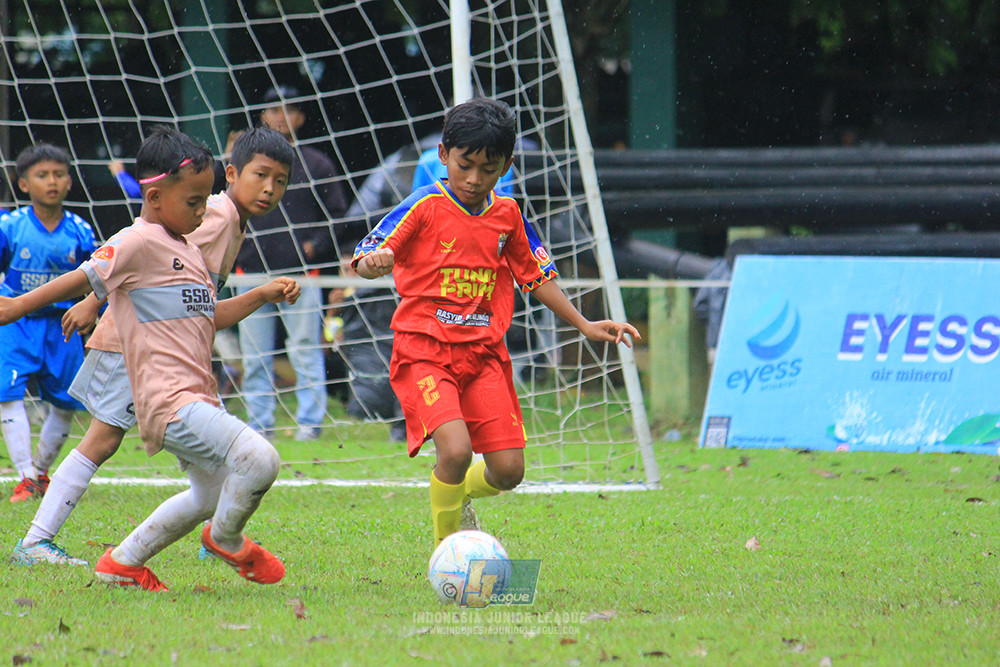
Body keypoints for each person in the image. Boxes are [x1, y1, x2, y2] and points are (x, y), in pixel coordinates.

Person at [0, 126, 300, 591]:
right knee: (102, 441)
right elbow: (109, 268)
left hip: (175, 358)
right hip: (136, 347)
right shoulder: (209, 218)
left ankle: (126, 558)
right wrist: (53, 302)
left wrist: (259, 294)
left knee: (198, 476)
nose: (270, 189)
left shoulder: (200, 229)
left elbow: (198, 305)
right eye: (262, 175)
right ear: (234, 173)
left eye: (280, 181)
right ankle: (40, 539)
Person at [353, 98, 640, 547]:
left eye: (488, 169)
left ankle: (453, 490)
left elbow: (536, 277)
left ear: (506, 165)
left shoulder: (508, 216)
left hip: (484, 356)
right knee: (455, 450)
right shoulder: (424, 204)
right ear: (444, 154)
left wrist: (584, 324)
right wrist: (376, 263)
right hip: (423, 351)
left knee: (508, 472)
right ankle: (448, 553)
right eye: (464, 165)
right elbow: (367, 257)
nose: (473, 179)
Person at [235, 84, 349, 441]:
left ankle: (310, 424)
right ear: (262, 116)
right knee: (254, 355)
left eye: (290, 110)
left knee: (305, 350)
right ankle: (258, 425)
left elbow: (339, 215)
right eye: (274, 110)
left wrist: (315, 246)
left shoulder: (317, 163)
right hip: (249, 272)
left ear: (300, 117)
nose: (281, 117)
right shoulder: (244, 165)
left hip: (302, 273)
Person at [0, 143, 99, 503]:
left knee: (66, 402)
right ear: (24, 184)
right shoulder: (9, 226)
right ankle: (25, 475)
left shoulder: (80, 231)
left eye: (59, 174)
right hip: (16, 322)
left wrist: (93, 312)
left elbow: (97, 279)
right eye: (42, 175)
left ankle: (42, 472)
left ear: (70, 181)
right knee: (7, 395)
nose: (52, 181)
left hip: (64, 323)